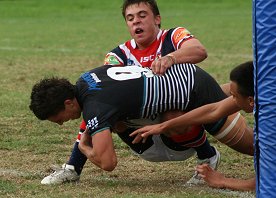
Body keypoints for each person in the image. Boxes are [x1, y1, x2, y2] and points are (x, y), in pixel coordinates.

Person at [40, 0, 208, 185]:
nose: (136, 21)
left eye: (142, 15)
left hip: (177, 122)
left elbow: (199, 50)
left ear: (157, 19)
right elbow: (99, 101)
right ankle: (73, 168)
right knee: (94, 108)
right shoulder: (119, 55)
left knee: (177, 111)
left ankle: (207, 155)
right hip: (142, 134)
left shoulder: (174, 35)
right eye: (130, 18)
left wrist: (170, 58)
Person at [30, 63, 228, 185]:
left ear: (68, 102)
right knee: (104, 118)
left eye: (58, 119)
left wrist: (84, 148)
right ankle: (72, 169)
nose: (61, 124)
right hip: (188, 75)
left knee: (247, 141)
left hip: (196, 93)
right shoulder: (85, 79)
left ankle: (208, 156)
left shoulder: (95, 106)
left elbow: (108, 164)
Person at [130, 61, 256, 191]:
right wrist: (163, 126)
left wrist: (223, 181)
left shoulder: (275, 124)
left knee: (258, 149)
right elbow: (214, 110)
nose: (231, 100)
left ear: (251, 100)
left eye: (234, 96)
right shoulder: (260, 95)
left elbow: (268, 181)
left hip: (270, 143)